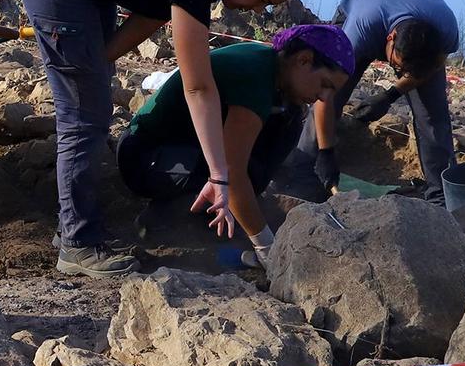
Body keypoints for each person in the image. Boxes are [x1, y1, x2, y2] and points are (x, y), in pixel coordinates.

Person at [20, 0, 304, 277]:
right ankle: (77, 244)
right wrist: (219, 176)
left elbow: (154, 12)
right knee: (84, 118)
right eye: (264, 1)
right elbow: (199, 87)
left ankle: (74, 227)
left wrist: (95, 63)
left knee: (91, 103)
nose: (257, 13)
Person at [116, 24, 355, 264]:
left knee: (289, 122)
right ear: (304, 60)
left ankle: (228, 216)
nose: (324, 97)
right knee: (226, 173)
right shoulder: (255, 76)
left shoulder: (276, 75)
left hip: (186, 146)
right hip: (145, 156)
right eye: (325, 84)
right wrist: (266, 246)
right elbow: (231, 171)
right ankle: (163, 221)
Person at [282, 0, 461, 204]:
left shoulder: (446, 30)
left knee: (433, 115)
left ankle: (441, 191)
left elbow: (430, 69)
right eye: (397, 67)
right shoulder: (360, 31)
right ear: (391, 38)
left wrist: (391, 94)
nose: (399, 74)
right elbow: (324, 93)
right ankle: (304, 171)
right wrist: (326, 153)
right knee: (332, 96)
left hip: (408, 16)